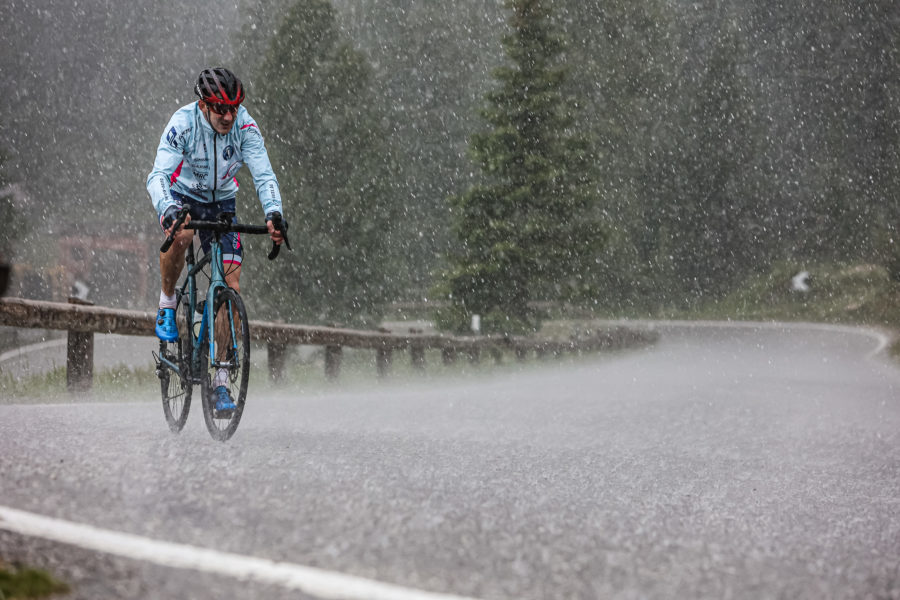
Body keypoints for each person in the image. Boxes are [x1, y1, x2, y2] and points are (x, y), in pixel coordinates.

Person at [147, 66, 285, 413]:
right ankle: (166, 304)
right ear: (203, 104)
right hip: (183, 195)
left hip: (223, 200)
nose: (227, 116)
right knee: (182, 235)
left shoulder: (244, 125)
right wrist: (167, 210)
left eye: (233, 108)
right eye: (220, 108)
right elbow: (158, 174)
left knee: (231, 286)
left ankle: (221, 380)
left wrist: (274, 213)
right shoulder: (183, 124)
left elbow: (263, 172)